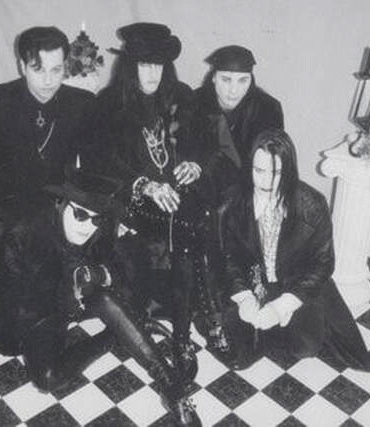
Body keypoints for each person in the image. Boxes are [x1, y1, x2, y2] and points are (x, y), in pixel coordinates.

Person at [0, 165, 202, 427]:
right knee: (47, 379)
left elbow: (121, 267)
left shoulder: (99, 229)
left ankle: (172, 389)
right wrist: (71, 286)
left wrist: (99, 274)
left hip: (76, 298)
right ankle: (116, 335)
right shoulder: (24, 236)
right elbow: (23, 296)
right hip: (32, 311)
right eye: (81, 215)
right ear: (61, 205)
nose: (87, 226)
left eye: (95, 219)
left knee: (107, 299)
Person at [95, 22, 216, 383]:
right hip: (135, 199)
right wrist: (144, 185)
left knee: (191, 222)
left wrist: (195, 163)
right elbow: (103, 161)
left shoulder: (182, 95)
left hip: (180, 193)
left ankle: (186, 330)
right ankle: (185, 333)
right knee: (186, 228)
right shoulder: (109, 103)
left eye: (158, 65)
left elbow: (207, 143)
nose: (152, 73)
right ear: (129, 66)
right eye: (144, 65)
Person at [213, 128, 370, 371]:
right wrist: (244, 297)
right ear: (249, 168)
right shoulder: (232, 203)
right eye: (259, 171)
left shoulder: (313, 204)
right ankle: (265, 332)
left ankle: (275, 329)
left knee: (305, 347)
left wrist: (281, 307)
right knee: (239, 357)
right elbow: (228, 258)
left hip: (295, 282)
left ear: (289, 171)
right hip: (253, 282)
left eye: (276, 173)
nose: (267, 182)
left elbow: (322, 264)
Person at [0, 26, 98, 274]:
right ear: (22, 66)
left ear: (65, 66)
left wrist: (81, 211)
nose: (48, 81)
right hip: (9, 205)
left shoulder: (82, 103)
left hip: (59, 205)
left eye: (56, 70)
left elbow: (94, 165)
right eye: (38, 69)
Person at [190, 45, 284, 208]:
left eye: (243, 80)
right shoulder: (193, 103)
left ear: (251, 80)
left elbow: (271, 164)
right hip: (200, 195)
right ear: (213, 77)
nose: (234, 90)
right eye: (226, 80)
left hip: (248, 198)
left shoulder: (268, 109)